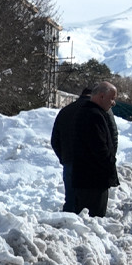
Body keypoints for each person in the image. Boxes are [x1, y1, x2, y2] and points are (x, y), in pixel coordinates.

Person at [50, 81, 120, 217]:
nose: (113, 103)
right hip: (93, 174)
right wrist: (110, 161)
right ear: (100, 96)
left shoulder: (66, 110)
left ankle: (68, 227)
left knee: (72, 202)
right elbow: (110, 138)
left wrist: (64, 158)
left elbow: (55, 140)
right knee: (91, 211)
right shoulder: (98, 114)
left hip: (71, 164)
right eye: (112, 98)